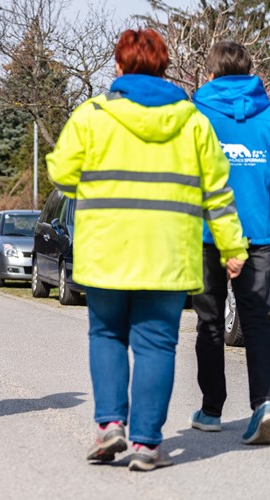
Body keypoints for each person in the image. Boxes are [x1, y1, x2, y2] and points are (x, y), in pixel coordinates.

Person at [46, 29, 248, 471]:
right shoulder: (193, 121)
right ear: (164, 67)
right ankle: (145, 444)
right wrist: (233, 247)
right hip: (169, 254)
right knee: (157, 344)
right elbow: (218, 193)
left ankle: (109, 425)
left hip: (106, 251)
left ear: (118, 68)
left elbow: (61, 174)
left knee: (107, 336)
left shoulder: (92, 115)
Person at [190, 41, 270, 444]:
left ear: (212, 73)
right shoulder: (268, 115)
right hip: (260, 232)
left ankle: (211, 410)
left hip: (207, 233)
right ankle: (265, 404)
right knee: (257, 320)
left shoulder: (197, 115)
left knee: (210, 322)